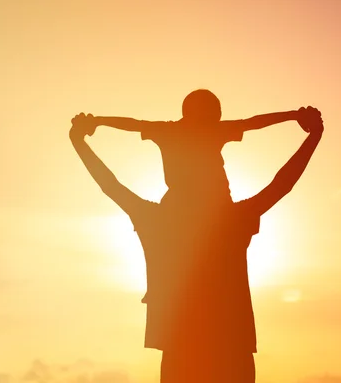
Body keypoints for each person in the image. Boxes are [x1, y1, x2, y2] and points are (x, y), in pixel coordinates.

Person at [69, 105, 324, 383]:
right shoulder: (234, 220)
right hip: (231, 348)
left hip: (181, 348)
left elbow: (110, 184)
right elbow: (282, 183)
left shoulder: (157, 220)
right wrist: (312, 135)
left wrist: (80, 142)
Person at [78, 89, 314, 208]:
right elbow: (253, 123)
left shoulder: (169, 131)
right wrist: (293, 115)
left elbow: (133, 124)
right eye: (216, 110)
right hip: (213, 204)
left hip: (191, 203)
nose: (220, 116)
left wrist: (98, 120)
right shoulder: (210, 130)